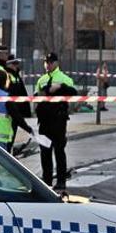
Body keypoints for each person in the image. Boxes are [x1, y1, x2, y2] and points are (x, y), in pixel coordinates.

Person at [35, 53, 77, 189]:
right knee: (45, 152)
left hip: (58, 120)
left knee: (59, 151)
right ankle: (46, 181)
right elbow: (36, 97)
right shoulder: (41, 80)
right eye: (46, 62)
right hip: (44, 122)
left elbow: (73, 93)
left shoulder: (64, 79)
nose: (48, 65)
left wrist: (60, 87)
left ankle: (60, 181)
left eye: (51, 62)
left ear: (56, 63)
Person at [5, 55, 33, 154]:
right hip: (10, 114)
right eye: (14, 63)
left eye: (17, 63)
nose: (16, 65)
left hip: (16, 113)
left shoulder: (16, 76)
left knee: (11, 139)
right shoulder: (7, 76)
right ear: (8, 64)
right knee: (7, 141)